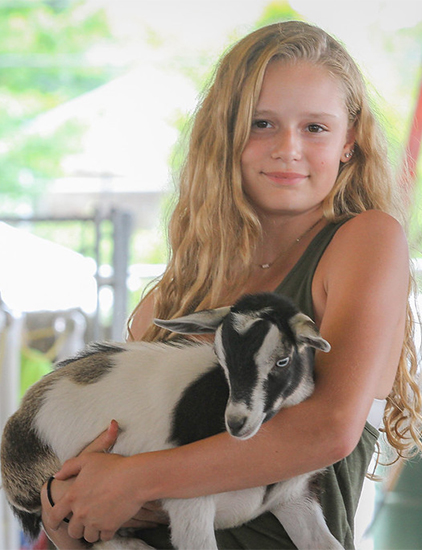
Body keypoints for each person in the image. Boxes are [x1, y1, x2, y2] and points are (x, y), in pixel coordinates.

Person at [40, 20, 422, 549]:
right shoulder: (176, 294)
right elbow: (99, 461)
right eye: (262, 123)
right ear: (225, 133)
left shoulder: (365, 243)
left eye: (314, 127)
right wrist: (66, 511)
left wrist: (132, 479)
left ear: (350, 140)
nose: (288, 147)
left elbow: (327, 428)